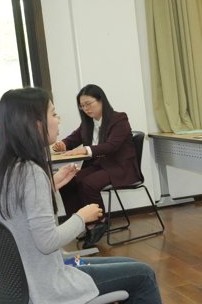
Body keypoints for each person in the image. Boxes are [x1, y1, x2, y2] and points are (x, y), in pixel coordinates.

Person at [0, 87, 202, 304]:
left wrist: (52, 185)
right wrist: (81, 217)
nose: (59, 119)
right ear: (35, 122)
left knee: (131, 269)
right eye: (53, 113)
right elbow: (47, 241)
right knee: (143, 276)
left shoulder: (0, 168)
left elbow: (18, 214)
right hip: (46, 288)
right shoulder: (30, 173)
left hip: (20, 289)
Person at [53, 84, 141, 249]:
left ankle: (99, 222)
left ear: (101, 100)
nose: (85, 109)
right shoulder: (88, 122)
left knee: (88, 183)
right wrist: (63, 144)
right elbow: (73, 138)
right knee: (68, 181)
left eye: (88, 104)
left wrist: (85, 149)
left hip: (119, 167)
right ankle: (81, 222)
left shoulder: (119, 119)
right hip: (99, 166)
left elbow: (112, 146)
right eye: (82, 106)